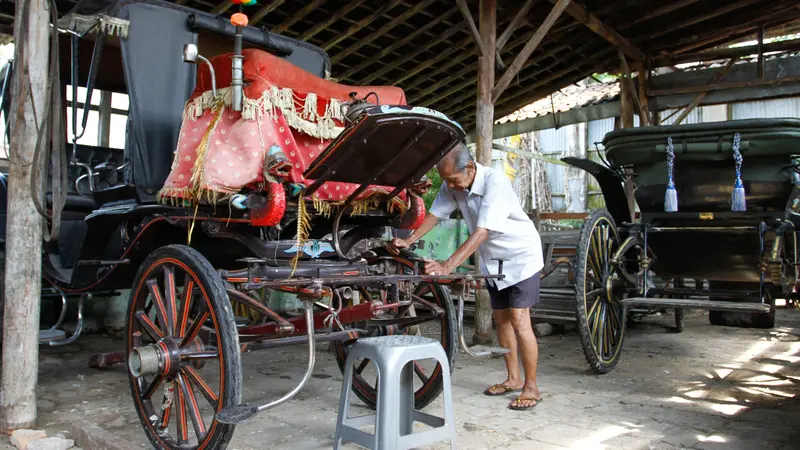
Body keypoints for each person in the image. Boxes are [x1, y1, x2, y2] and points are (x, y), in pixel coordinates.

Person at [389, 142, 544, 411]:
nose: (450, 186)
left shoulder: (495, 182)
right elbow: (436, 215)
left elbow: (482, 232)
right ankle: (514, 378)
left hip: (522, 256)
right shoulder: (455, 183)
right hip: (494, 259)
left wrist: (447, 265)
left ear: (470, 168)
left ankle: (532, 386)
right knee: (502, 320)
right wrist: (409, 240)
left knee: (520, 321)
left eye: (453, 180)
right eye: (447, 181)